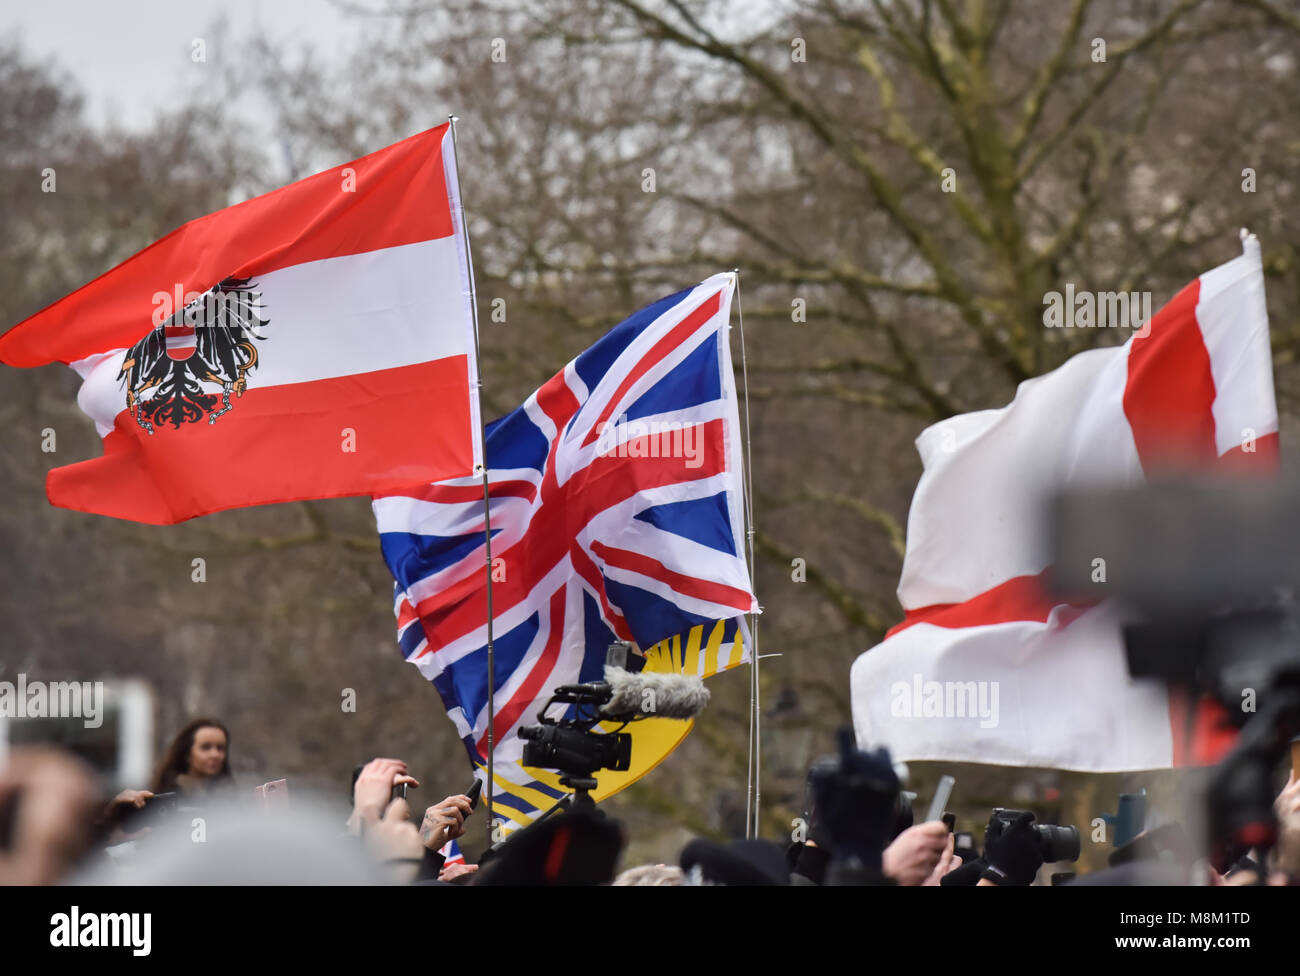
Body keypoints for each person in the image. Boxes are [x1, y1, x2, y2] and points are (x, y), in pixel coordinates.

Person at [150, 717, 234, 801]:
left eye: (220, 748)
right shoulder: (166, 798)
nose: (215, 754)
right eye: (206, 747)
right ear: (187, 753)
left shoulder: (231, 797)